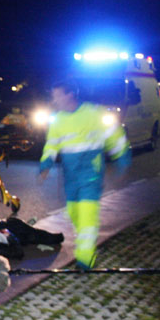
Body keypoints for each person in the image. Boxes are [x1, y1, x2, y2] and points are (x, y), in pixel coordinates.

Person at [38, 79, 131, 269]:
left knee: (87, 216)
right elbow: (52, 143)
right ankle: (85, 247)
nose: (54, 100)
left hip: (91, 175)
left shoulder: (93, 113)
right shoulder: (58, 119)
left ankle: (85, 259)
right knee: (74, 215)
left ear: (69, 94)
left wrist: (122, 156)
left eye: (57, 95)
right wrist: (46, 162)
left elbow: (114, 135)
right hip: (71, 178)